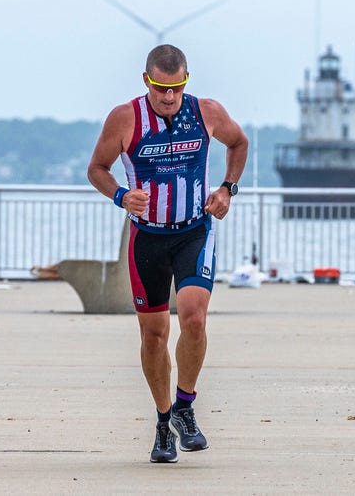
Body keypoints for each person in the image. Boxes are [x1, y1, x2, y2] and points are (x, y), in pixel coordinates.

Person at [87, 44, 248, 464]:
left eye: (176, 88)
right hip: (147, 239)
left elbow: (239, 143)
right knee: (154, 336)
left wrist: (227, 189)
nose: (168, 97)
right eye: (161, 88)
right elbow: (96, 169)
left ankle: (185, 406)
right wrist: (122, 195)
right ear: (147, 82)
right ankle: (163, 422)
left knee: (193, 316)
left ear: (185, 81)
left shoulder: (207, 112)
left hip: (194, 231)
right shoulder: (125, 118)